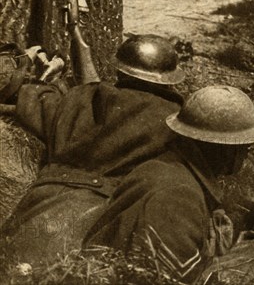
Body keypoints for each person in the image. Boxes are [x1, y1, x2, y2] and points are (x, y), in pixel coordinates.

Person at [0, 34, 185, 264]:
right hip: (97, 226)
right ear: (170, 79)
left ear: (120, 71)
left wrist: (43, 82)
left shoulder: (82, 96)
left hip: (33, 211)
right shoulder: (177, 119)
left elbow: (35, 104)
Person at [83, 85, 254, 283]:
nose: (247, 153)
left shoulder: (165, 168)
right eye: (244, 145)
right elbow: (169, 278)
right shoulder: (179, 198)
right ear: (225, 149)